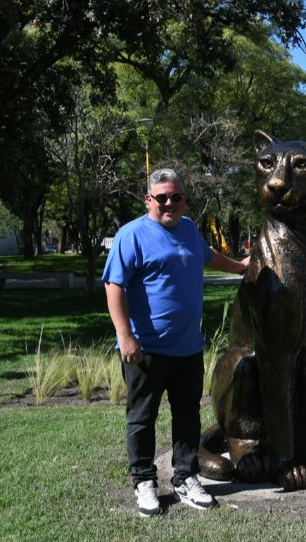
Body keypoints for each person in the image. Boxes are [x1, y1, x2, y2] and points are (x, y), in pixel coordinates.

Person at [102, 168, 248, 518]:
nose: (170, 203)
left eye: (176, 196)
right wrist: (125, 336)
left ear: (184, 199)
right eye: (162, 197)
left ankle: (185, 477)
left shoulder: (187, 229)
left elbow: (208, 256)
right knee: (142, 417)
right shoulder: (132, 235)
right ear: (148, 199)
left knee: (187, 416)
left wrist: (241, 267)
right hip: (146, 350)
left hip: (187, 348)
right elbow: (114, 286)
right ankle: (144, 481)